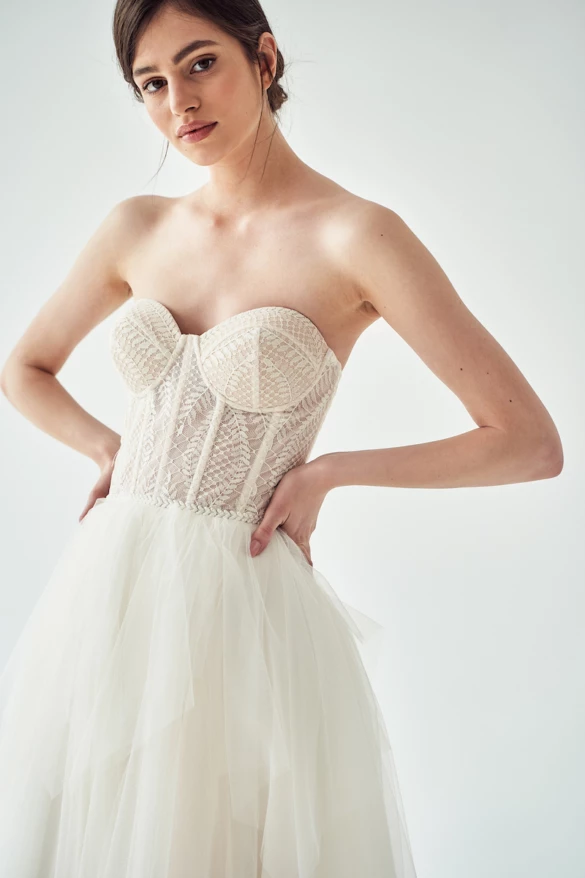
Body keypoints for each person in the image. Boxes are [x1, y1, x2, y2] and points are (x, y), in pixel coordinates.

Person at [0, 0, 563, 875]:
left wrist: (329, 472)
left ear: (264, 58)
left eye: (199, 64)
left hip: (243, 601)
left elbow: (527, 442)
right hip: (110, 591)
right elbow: (24, 368)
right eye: (151, 83)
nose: (177, 103)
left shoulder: (356, 235)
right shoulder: (136, 228)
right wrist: (111, 451)